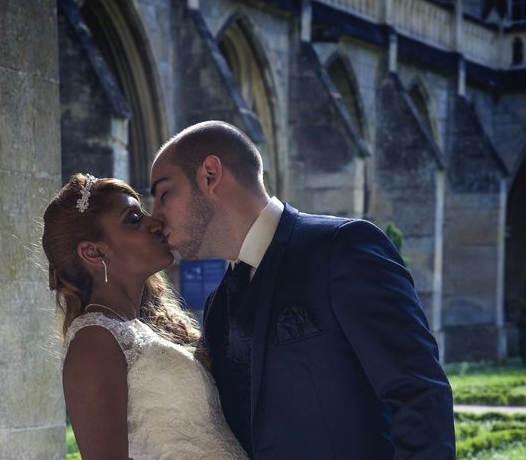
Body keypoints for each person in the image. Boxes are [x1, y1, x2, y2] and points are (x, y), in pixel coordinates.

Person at [149, 120, 456, 459]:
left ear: (210, 174)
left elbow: (419, 396)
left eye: (164, 194)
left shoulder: (342, 248)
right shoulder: (218, 306)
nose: (154, 216)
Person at [41, 174, 249, 459]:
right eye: (134, 219)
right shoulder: (94, 340)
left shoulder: (142, 326)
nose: (156, 223)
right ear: (93, 252)